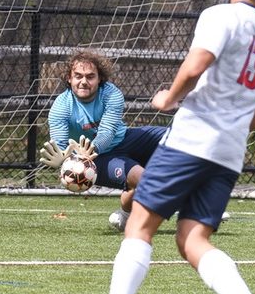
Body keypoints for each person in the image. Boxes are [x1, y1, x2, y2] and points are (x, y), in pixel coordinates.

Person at [72, 0, 255, 294]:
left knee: (139, 224)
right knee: (191, 237)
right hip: (228, 152)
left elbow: (195, 66)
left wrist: (169, 98)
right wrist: (235, 126)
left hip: (192, 137)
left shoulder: (219, 15)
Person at [40, 49, 167, 231]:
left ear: (100, 79)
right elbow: (60, 146)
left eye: (90, 76)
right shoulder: (61, 107)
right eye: (78, 76)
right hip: (97, 160)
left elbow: (107, 132)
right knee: (144, 179)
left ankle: (127, 207)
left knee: (177, 137)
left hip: (123, 140)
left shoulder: (111, 94)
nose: (84, 81)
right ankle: (193, 210)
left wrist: (92, 147)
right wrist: (63, 161)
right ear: (69, 78)